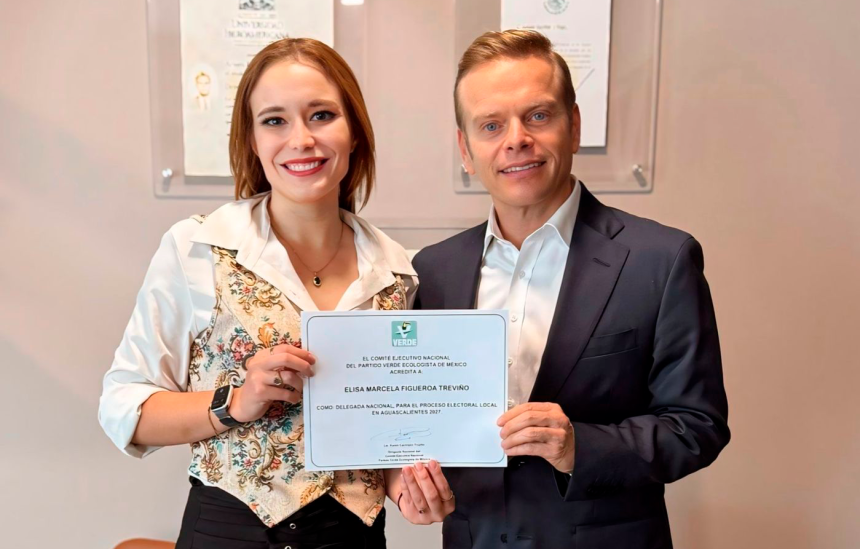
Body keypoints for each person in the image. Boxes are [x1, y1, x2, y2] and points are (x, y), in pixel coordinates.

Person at [99, 38, 452, 549]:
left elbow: (387, 431)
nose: (301, 139)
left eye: (322, 115)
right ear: (252, 141)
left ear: (354, 131)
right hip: (228, 535)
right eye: (275, 120)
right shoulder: (197, 249)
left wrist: (406, 489)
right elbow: (124, 409)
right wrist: (235, 402)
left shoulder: (399, 274)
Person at [411, 30, 730, 548]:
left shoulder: (661, 259)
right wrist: (409, 482)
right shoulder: (432, 270)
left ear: (574, 126)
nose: (516, 139)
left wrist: (580, 446)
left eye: (538, 116)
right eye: (491, 125)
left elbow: (698, 426)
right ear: (466, 150)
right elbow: (421, 417)